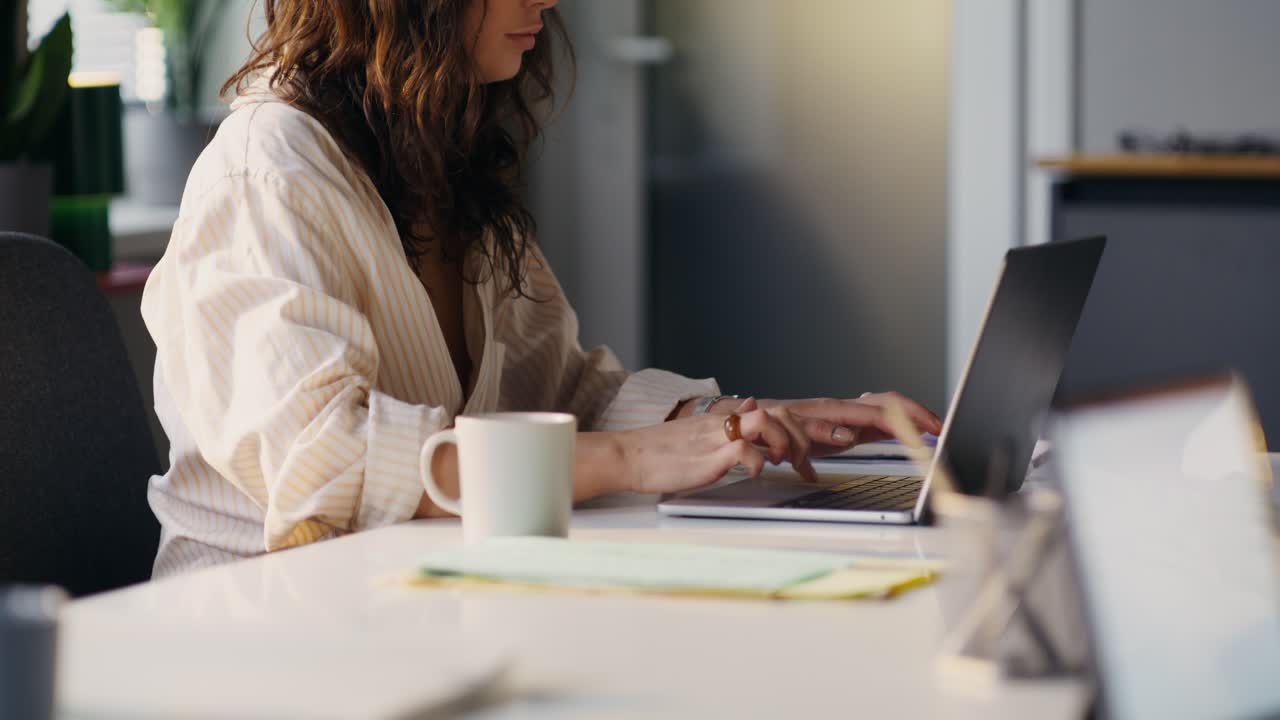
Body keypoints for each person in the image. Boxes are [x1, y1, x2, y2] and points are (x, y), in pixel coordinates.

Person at [140, 0, 942, 577]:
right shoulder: (268, 167)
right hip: (262, 630)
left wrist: (732, 422)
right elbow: (326, 462)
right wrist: (629, 458)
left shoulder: (440, 155)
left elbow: (565, 391)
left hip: (423, 601)